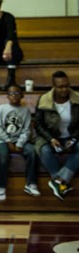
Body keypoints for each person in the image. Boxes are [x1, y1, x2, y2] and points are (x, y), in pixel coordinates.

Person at [35, 70, 79, 201]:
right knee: (44, 149)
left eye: (66, 85)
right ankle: (61, 182)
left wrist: (73, 139)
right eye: (60, 87)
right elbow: (39, 125)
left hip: (73, 136)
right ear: (53, 86)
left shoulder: (77, 99)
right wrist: (51, 139)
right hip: (50, 137)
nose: (64, 89)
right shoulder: (44, 100)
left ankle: (59, 181)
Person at [0, 84, 40, 201]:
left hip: (20, 140)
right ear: (7, 96)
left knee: (32, 152)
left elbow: (27, 130)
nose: (14, 96)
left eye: (17, 93)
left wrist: (19, 144)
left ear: (22, 95)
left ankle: (31, 183)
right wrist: (8, 141)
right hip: (2, 140)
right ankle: (1, 186)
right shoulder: (1, 109)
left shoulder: (25, 111)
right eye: (11, 94)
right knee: (3, 156)